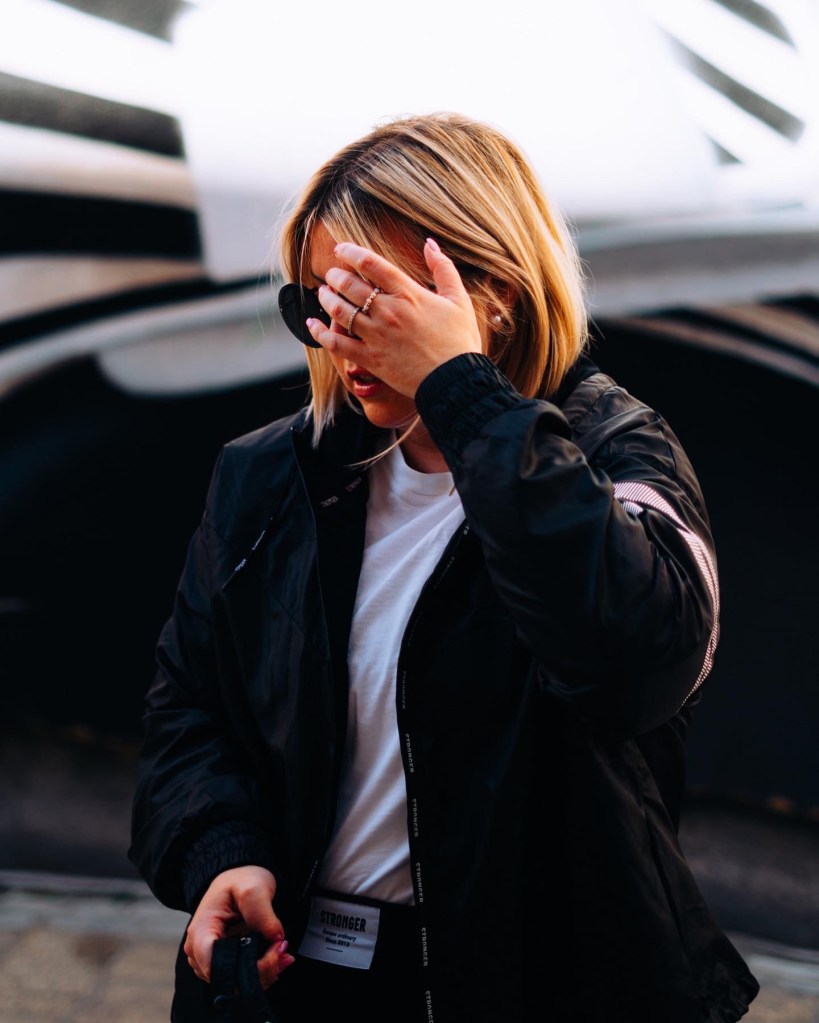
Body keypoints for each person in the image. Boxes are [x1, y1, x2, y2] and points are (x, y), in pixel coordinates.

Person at [129, 112, 759, 1022]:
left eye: (369, 302)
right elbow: (189, 704)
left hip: (526, 988)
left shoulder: (618, 457)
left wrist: (459, 387)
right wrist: (221, 850)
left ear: (490, 291)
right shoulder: (269, 474)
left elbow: (636, 668)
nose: (337, 336)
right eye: (316, 304)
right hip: (289, 977)